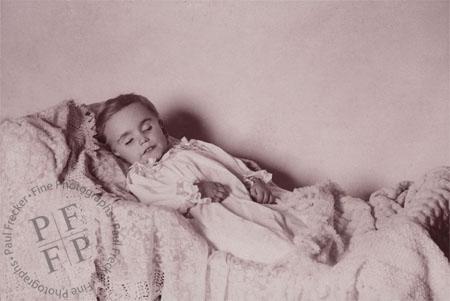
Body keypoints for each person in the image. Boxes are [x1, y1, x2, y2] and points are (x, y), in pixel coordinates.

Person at [95, 93, 449, 265]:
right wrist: (192, 191)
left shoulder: (190, 149)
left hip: (249, 199)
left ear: (159, 123)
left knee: (294, 222)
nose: (142, 139)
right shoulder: (142, 178)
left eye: (147, 126)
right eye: (128, 140)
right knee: (269, 243)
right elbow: (157, 208)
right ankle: (302, 266)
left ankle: (341, 253)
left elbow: (228, 162)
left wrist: (254, 180)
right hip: (219, 217)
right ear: (117, 153)